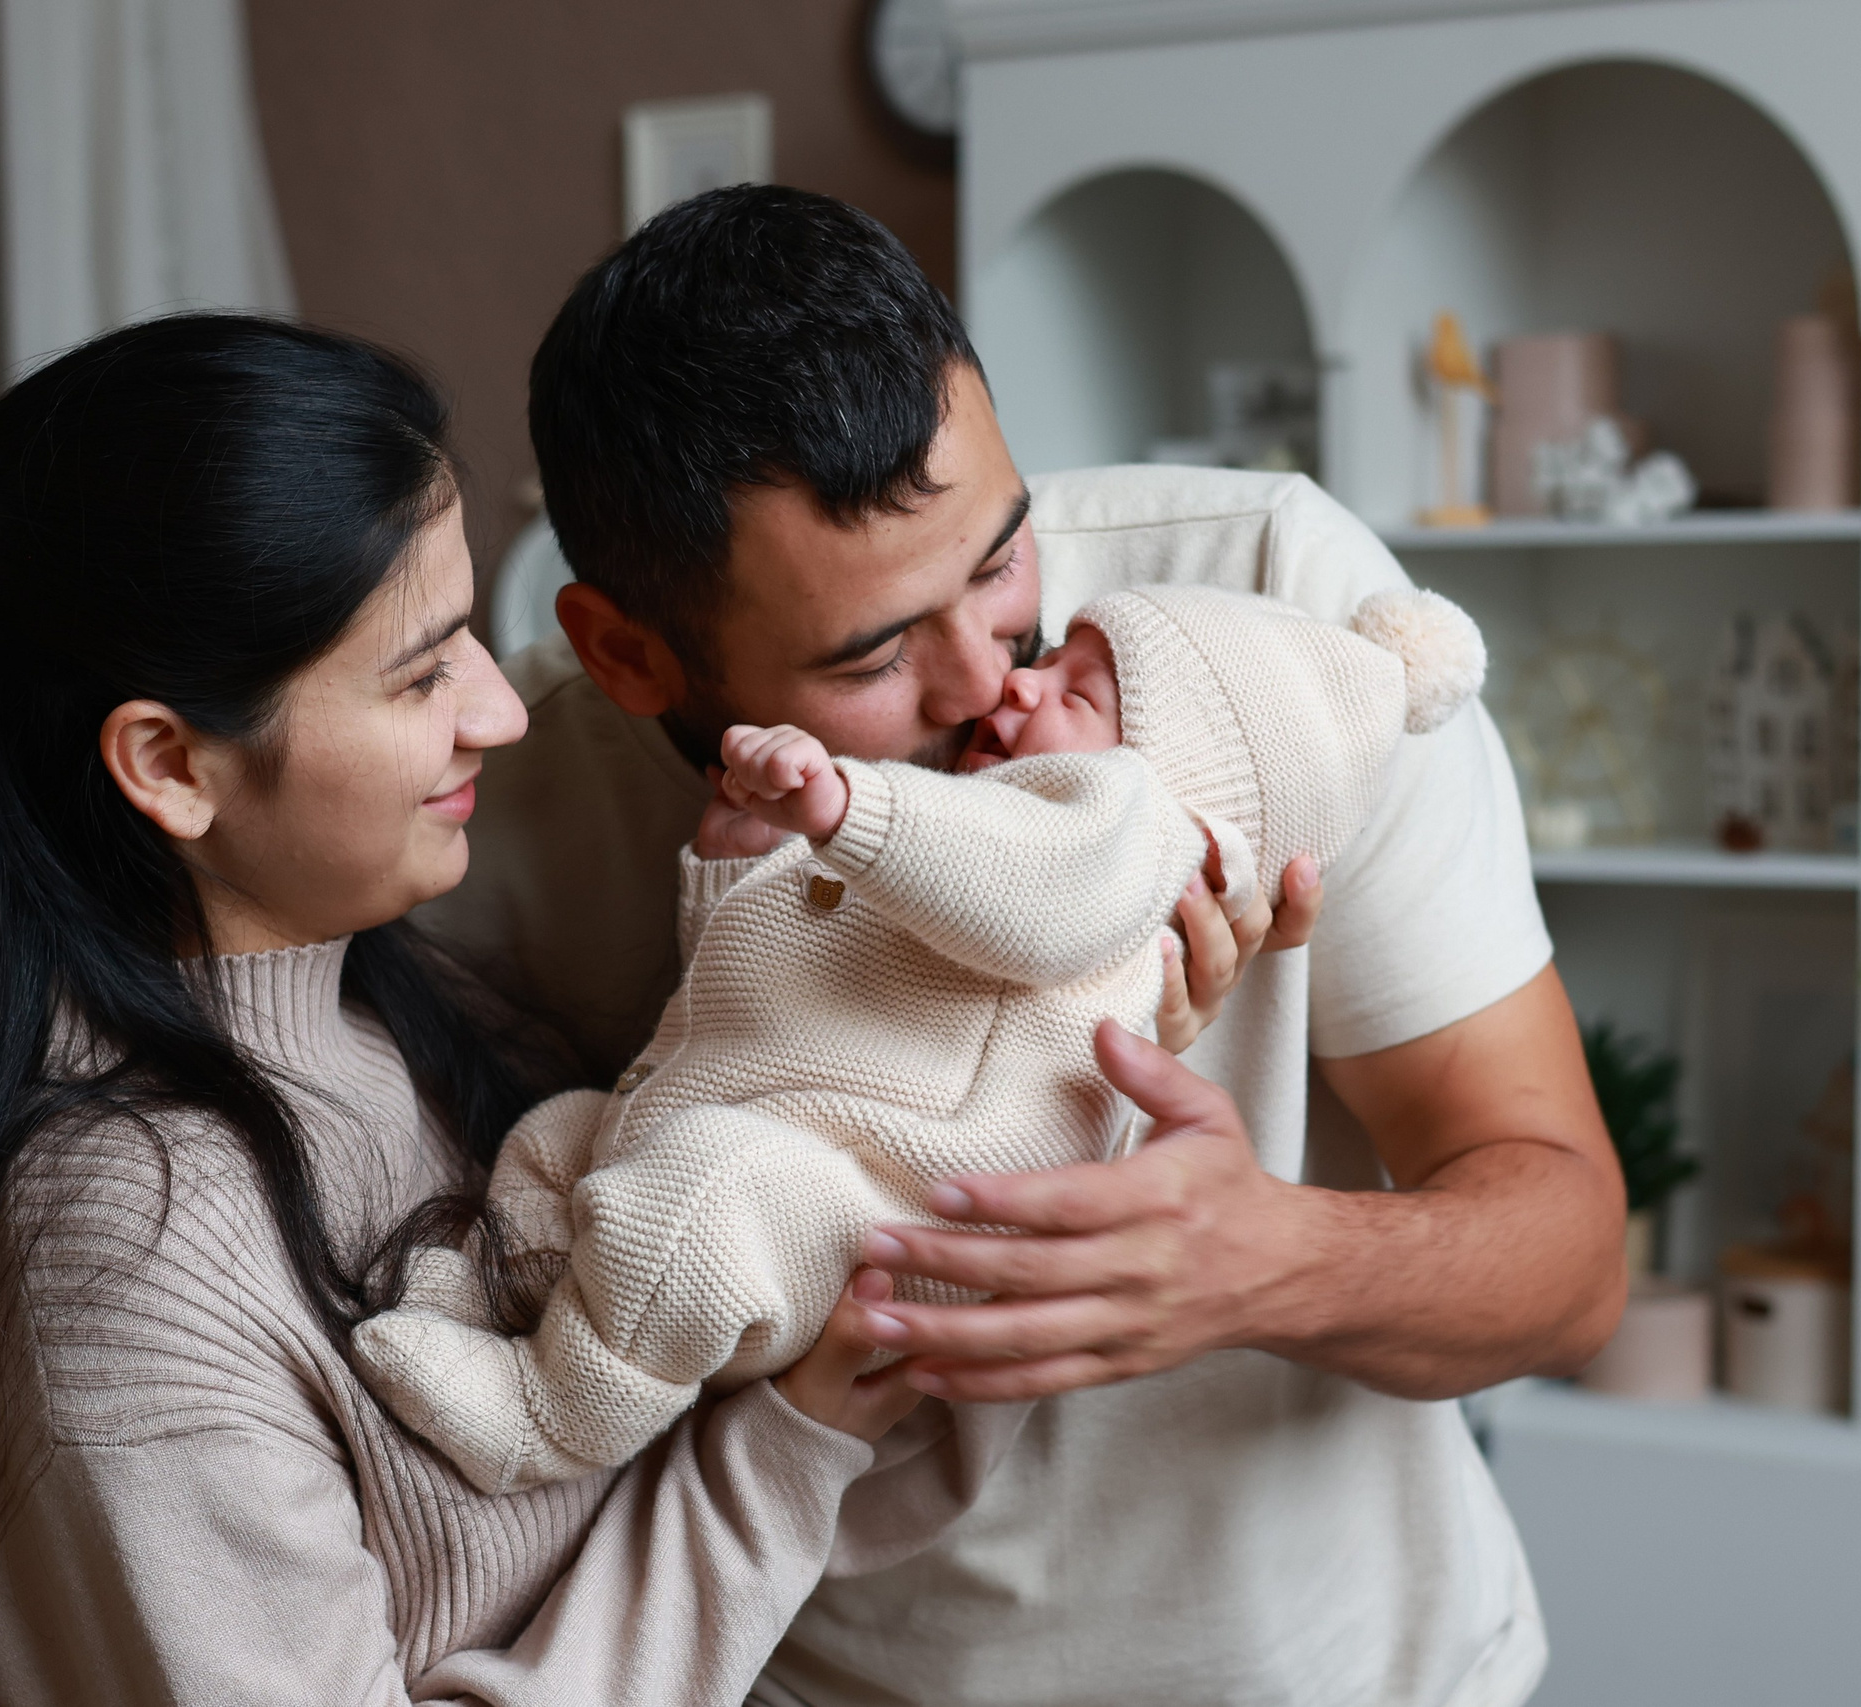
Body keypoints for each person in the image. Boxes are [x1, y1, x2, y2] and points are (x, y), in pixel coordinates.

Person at [424, 186, 1627, 1707]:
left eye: (1000, 561)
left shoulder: (1270, 618)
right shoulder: (493, 820)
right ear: (626, 652)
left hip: (1345, 1669)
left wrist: (1263, 1261)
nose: (989, 678)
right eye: (874, 652)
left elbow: (1571, 1266)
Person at [0, 314, 930, 1707]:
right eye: (424, 670)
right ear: (170, 764)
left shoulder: (413, 1015)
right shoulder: (128, 1270)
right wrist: (781, 1459)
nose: (501, 713)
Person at [354, 581, 1483, 1499]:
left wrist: (848, 811)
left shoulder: (1125, 841)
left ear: (1181, 792)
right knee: (560, 1139)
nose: (1017, 680)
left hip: (881, 1211)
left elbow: (1034, 878)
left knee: (698, 1211)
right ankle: (483, 1296)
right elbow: (769, 1004)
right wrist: (737, 870)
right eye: (1054, 654)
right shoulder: (966, 854)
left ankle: (546, 1420)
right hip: (756, 1131)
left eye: (1078, 692)